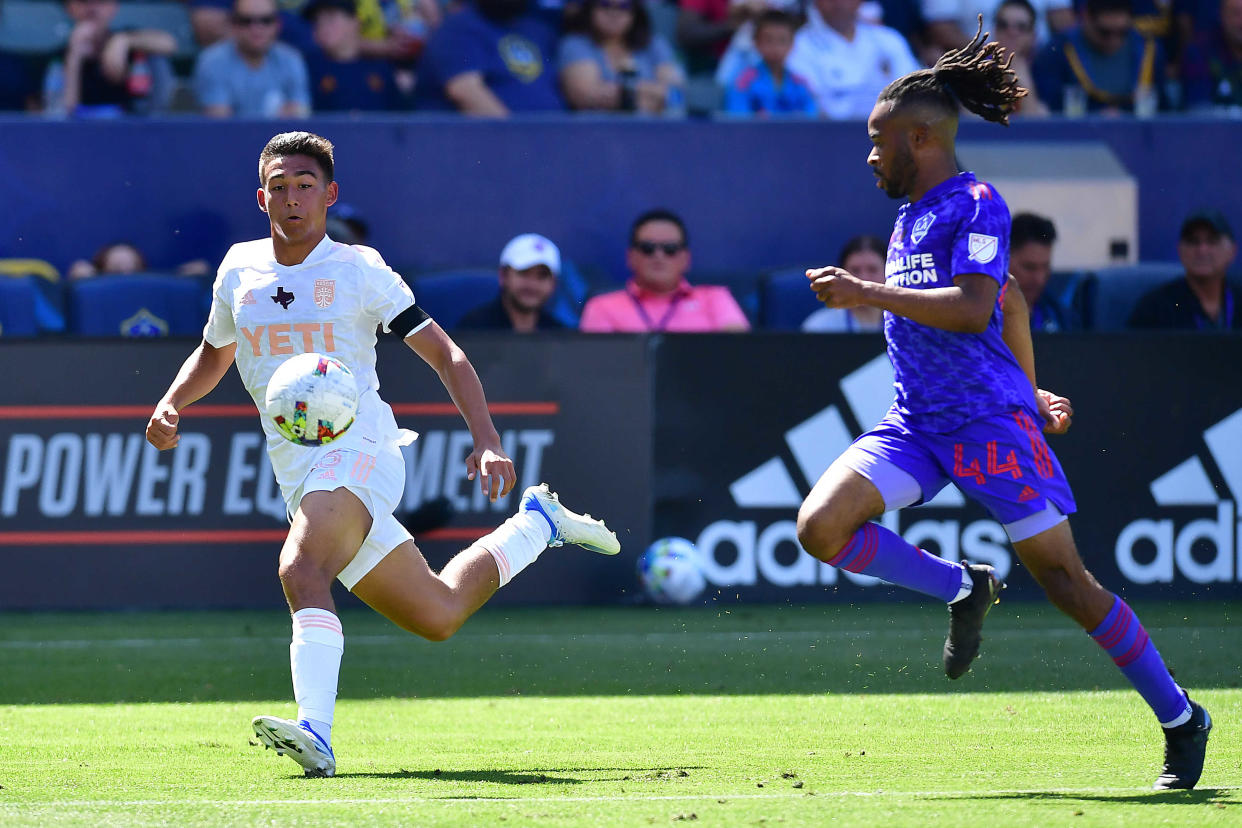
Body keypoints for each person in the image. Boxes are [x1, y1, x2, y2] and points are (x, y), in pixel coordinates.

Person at [797, 22, 1211, 790]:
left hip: (987, 425)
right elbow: (1014, 303)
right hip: (917, 423)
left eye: (878, 140)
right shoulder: (908, 216)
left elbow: (973, 304)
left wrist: (865, 294)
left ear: (920, 137)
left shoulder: (978, 203)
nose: (870, 155)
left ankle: (1182, 717)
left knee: (1067, 584)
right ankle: (963, 587)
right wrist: (1034, 384)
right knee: (820, 526)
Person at [144, 131, 619, 777]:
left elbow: (446, 353)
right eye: (278, 187)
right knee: (438, 613)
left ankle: (315, 731)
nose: (291, 199)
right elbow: (215, 350)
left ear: (330, 195)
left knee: (300, 569)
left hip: (362, 449)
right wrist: (173, 403)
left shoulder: (360, 269)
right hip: (298, 470)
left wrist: (487, 441)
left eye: (305, 186)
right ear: (261, 198)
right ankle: (540, 524)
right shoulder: (238, 268)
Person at [578, 209, 751, 332]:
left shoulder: (716, 299)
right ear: (630, 257)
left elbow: (737, 355)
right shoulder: (601, 306)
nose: (658, 256)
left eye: (670, 249)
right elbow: (596, 370)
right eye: (648, 248)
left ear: (686, 259)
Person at [413, 0, 564, 114]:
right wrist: (520, 142)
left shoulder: (537, 29)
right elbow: (465, 92)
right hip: (488, 147)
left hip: (551, 143)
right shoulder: (458, 27)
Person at [787, 0, 922, 120]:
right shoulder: (800, 44)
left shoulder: (888, 39)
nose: (839, 3)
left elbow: (916, 90)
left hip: (893, 134)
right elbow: (814, 104)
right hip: (833, 136)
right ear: (816, 3)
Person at [43, 0, 177, 117]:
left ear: (113, 6)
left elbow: (170, 44)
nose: (92, 8)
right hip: (79, 134)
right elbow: (63, 114)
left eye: (101, 1)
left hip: (132, 131)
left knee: (157, 60)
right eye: (83, 1)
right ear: (69, 7)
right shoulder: (58, 57)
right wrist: (74, 58)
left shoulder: (126, 40)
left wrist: (123, 40)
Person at [1032, 0, 1165, 115]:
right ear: (1086, 18)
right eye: (1104, 32)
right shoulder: (1059, 50)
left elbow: (1164, 108)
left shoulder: (1148, 49)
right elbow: (1049, 107)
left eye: (1122, 32)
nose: (1114, 40)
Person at [558, 0, 685, 114]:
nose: (614, 13)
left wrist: (622, 94)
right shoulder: (575, 44)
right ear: (590, 8)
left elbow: (676, 95)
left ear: (635, 11)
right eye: (605, 5)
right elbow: (584, 97)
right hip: (597, 132)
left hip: (653, 132)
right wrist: (653, 95)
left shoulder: (654, 45)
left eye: (624, 6)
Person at [193, 0, 312, 117]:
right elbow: (220, 125)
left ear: (278, 24)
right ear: (234, 25)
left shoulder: (291, 59)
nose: (257, 29)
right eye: (246, 21)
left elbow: (299, 116)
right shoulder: (213, 62)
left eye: (266, 20)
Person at [1128, 209, 1240, 330]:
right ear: (1180, 250)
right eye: (1193, 241)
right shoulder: (1154, 308)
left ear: (1232, 251)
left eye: (1212, 241)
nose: (1202, 251)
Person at [304, 0, 404, 112]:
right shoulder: (308, 67)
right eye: (317, 22)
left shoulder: (381, 68)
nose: (322, 27)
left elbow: (401, 119)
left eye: (330, 18)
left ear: (355, 22)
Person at [459, 233, 568, 331]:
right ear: (503, 276)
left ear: (553, 284)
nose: (532, 284)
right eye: (524, 273)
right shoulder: (474, 328)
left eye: (542, 276)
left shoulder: (560, 335)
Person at [722, 9, 819, 116]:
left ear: (792, 44)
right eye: (768, 40)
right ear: (756, 42)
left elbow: (811, 118)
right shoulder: (744, 82)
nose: (775, 47)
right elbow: (737, 117)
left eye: (782, 40)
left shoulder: (800, 83)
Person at [802, 235, 887, 331]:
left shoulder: (905, 324)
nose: (864, 278)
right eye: (855, 270)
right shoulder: (818, 326)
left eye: (872, 270)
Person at [988, 0, 1050, 114]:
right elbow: (972, 122)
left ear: (1033, 36)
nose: (1011, 32)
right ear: (994, 30)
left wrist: (1025, 86)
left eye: (1021, 27)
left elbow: (1043, 126)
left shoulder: (1046, 69)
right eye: (1003, 25)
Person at [1180, 0, 1242, 112]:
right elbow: (1199, 111)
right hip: (1218, 128)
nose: (1241, 22)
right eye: (1235, 13)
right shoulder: (1199, 51)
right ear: (1222, 15)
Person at [1009, 212, 1067, 331]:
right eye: (1029, 267)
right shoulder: (983, 315)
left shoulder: (1060, 315)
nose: (1039, 279)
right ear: (1004, 260)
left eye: (1045, 267)